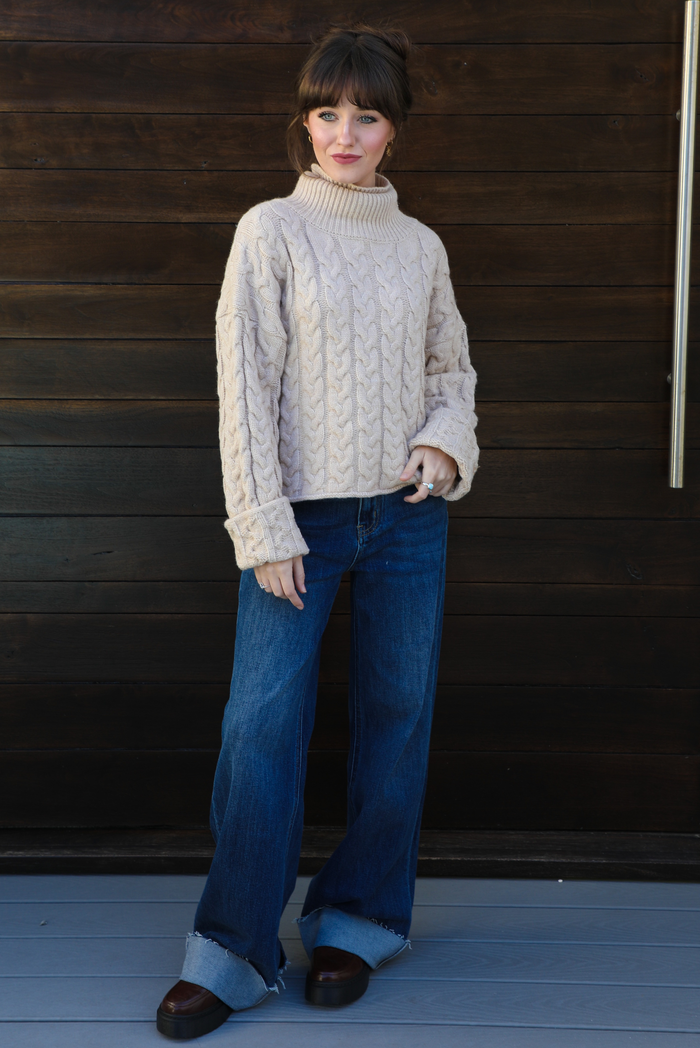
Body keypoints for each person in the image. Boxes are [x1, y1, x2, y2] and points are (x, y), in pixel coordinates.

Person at [156, 22, 479, 1040]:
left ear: (394, 132)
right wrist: (263, 526)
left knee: (396, 716)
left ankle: (360, 918)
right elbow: (242, 390)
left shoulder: (420, 245)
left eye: (366, 116)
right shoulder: (270, 231)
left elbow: (449, 371)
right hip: (297, 519)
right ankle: (233, 950)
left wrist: (443, 445)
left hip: (406, 519)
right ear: (304, 121)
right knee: (261, 729)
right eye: (326, 113)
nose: (343, 134)